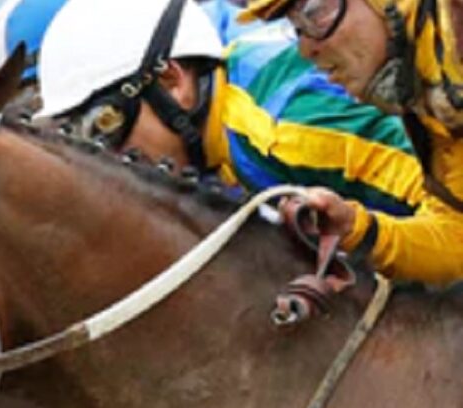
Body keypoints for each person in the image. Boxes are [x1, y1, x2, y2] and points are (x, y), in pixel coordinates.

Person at [30, 0, 425, 253]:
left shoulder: (285, 131)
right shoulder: (219, 117)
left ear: (173, 83)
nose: (110, 158)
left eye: (105, 125)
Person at [239, 0, 463, 283]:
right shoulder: (432, 99)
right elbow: (457, 238)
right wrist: (357, 228)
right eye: (297, 28)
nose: (306, 50)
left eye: (314, 13)